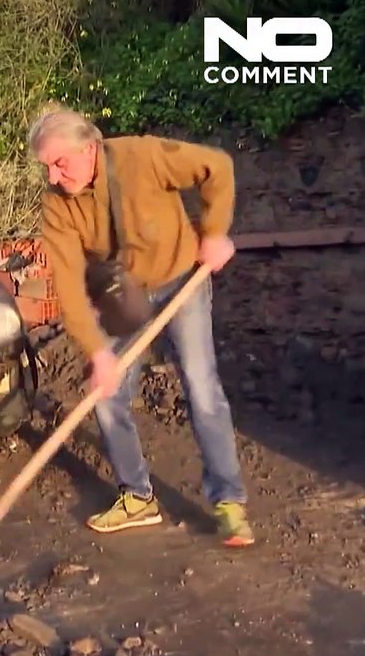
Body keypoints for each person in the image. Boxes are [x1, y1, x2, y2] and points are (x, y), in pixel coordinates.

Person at [27, 104, 254, 547]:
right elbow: (68, 284)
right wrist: (97, 352)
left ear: (88, 148)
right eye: (46, 167)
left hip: (180, 280)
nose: (53, 176)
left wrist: (213, 232)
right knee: (106, 392)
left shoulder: (143, 156)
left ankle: (229, 502)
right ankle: (137, 496)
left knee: (201, 387)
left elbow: (217, 166)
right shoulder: (57, 204)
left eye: (60, 163)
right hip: (122, 296)